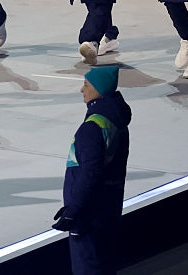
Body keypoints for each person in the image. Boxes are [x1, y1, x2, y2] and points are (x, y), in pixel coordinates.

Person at [51, 65, 131, 275]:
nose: (82, 90)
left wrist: (73, 211)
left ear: (99, 90)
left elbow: (89, 173)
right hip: (109, 209)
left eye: (86, 85)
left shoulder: (92, 128)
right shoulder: (117, 123)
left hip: (88, 215)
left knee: (88, 267)